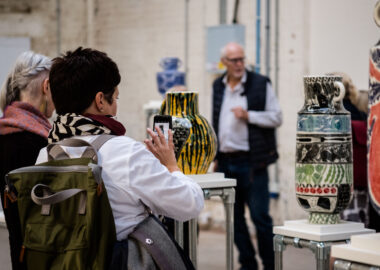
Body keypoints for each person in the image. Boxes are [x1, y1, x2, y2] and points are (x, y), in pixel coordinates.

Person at [35, 47, 204, 266]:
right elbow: (188, 204)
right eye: (115, 97)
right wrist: (171, 165)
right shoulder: (125, 152)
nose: (116, 105)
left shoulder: (45, 154)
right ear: (100, 101)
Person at [212, 42, 282, 270]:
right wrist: (214, 156)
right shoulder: (218, 86)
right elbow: (215, 121)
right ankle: (248, 263)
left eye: (242, 59)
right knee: (234, 219)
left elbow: (276, 117)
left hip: (252, 162)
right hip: (225, 160)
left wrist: (249, 115)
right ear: (225, 62)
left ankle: (270, 265)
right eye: (234, 60)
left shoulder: (260, 84)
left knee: (261, 217)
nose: (240, 64)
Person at [0, 51, 54, 270]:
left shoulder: (5, 132)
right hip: (46, 256)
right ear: (46, 86)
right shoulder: (38, 142)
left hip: (19, 252)